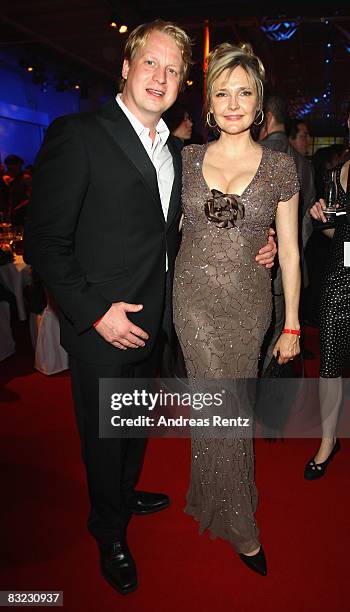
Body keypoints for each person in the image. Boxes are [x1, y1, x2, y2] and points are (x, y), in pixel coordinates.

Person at [24, 21, 276, 595]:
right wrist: (93, 313)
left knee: (133, 428)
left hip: (160, 321)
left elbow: (202, 224)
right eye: (150, 63)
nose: (160, 76)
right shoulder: (79, 133)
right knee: (103, 437)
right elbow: (44, 242)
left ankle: (125, 492)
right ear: (126, 67)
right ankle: (106, 528)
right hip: (102, 328)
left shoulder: (180, 153)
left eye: (172, 69)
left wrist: (264, 243)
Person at [173, 42, 301, 576]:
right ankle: (241, 528)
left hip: (249, 306)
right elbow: (173, 230)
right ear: (209, 103)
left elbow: (290, 250)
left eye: (243, 92)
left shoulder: (280, 167)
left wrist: (292, 322)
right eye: (222, 92)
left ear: (258, 101)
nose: (232, 102)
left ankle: (211, 495)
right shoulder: (186, 159)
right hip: (193, 302)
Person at [304, 105, 350, 480]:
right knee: (330, 365)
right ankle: (327, 440)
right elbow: (338, 233)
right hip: (341, 276)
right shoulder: (337, 173)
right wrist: (322, 217)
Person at [259, 93, 316, 370]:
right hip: (285, 278)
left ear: (266, 118)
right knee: (274, 346)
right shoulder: (303, 162)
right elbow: (306, 224)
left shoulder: (252, 153)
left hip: (250, 273)